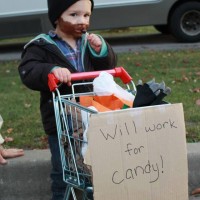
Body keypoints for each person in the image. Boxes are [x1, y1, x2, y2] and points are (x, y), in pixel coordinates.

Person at [18, 0, 117, 199]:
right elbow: (28, 70)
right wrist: (51, 70)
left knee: (96, 167)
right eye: (74, 15)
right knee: (64, 172)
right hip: (62, 121)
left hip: (92, 116)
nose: (82, 21)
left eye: (86, 15)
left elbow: (108, 67)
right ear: (57, 17)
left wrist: (101, 51)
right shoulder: (42, 46)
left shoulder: (89, 42)